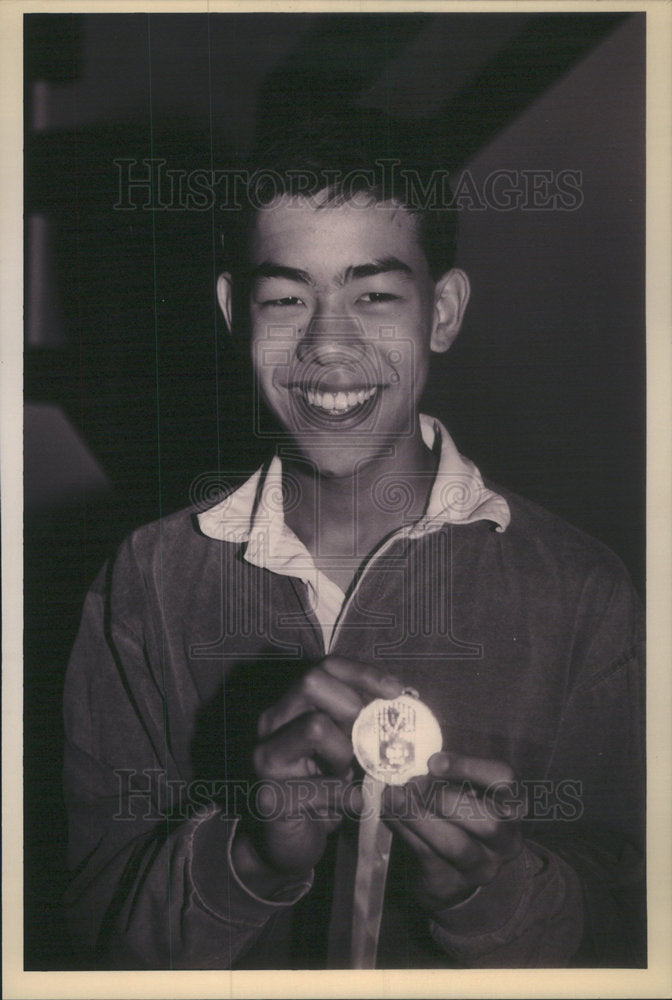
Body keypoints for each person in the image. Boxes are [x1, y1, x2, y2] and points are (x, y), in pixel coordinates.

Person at [62, 113, 645, 969]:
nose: (327, 345)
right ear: (233, 312)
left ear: (441, 312)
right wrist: (247, 857)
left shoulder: (582, 588)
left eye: (373, 295)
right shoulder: (146, 581)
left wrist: (491, 892)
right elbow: (90, 942)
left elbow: (634, 930)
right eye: (285, 297)